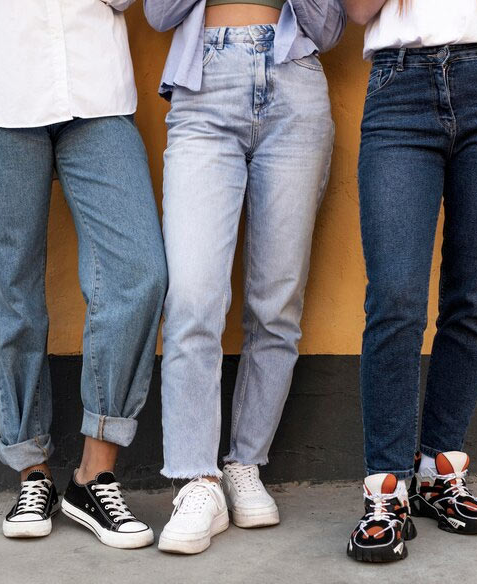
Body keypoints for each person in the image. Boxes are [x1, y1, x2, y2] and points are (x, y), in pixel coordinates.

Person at [0, 0, 167, 548]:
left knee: (138, 271)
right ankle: (31, 469)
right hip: (4, 92)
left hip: (96, 93)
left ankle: (94, 474)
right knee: (12, 292)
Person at [342, 0, 477, 563]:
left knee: (473, 297)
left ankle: (438, 471)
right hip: (398, 88)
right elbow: (359, 11)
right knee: (395, 298)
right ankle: (386, 490)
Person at [144, 0, 346, 554]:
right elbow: (159, 14)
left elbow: (328, 28)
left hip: (295, 88)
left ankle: (244, 464)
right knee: (192, 296)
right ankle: (196, 480)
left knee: (276, 302)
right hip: (204, 90)